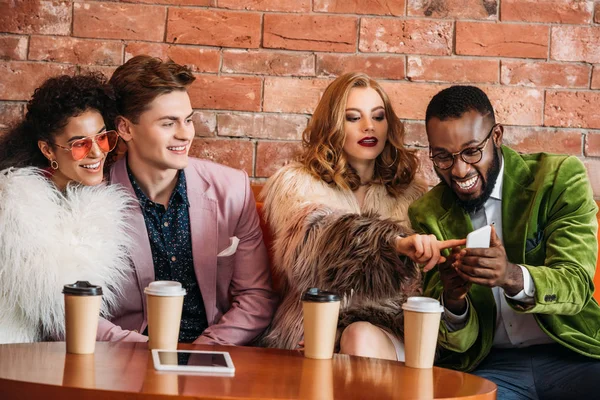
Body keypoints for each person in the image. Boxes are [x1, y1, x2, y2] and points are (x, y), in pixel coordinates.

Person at [408, 85, 600, 399]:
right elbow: (454, 342)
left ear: (496, 136)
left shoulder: (557, 179)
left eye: (471, 151)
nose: (459, 170)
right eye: (443, 157)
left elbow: (576, 285)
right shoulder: (428, 213)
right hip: (491, 366)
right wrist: (454, 301)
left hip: (573, 353)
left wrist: (510, 276)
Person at [260, 72, 464, 361]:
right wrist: (389, 244)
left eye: (378, 117)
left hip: (390, 327)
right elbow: (309, 251)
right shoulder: (296, 184)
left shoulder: (412, 194)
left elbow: (419, 287)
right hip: (314, 327)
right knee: (343, 341)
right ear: (332, 124)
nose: (369, 127)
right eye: (353, 118)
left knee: (359, 336)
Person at [105, 55, 277, 345]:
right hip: (126, 357)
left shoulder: (232, 190)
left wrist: (204, 349)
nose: (185, 134)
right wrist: (144, 350)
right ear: (125, 128)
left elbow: (256, 297)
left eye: (188, 120)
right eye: (168, 123)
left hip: (212, 351)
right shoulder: (93, 199)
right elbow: (72, 307)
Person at [0, 73, 145, 343]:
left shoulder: (92, 200)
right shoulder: (16, 203)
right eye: (80, 144)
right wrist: (127, 341)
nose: (97, 153)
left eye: (102, 138)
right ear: (48, 150)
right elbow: (57, 305)